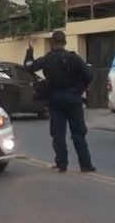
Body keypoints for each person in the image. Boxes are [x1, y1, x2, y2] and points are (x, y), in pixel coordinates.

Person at [24, 31, 96, 173]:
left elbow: (29, 65)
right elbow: (89, 74)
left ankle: (61, 164)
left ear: (52, 43)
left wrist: (30, 50)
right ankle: (86, 165)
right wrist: (81, 87)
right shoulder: (74, 58)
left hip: (55, 98)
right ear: (65, 42)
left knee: (58, 133)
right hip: (73, 98)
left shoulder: (48, 59)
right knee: (78, 133)